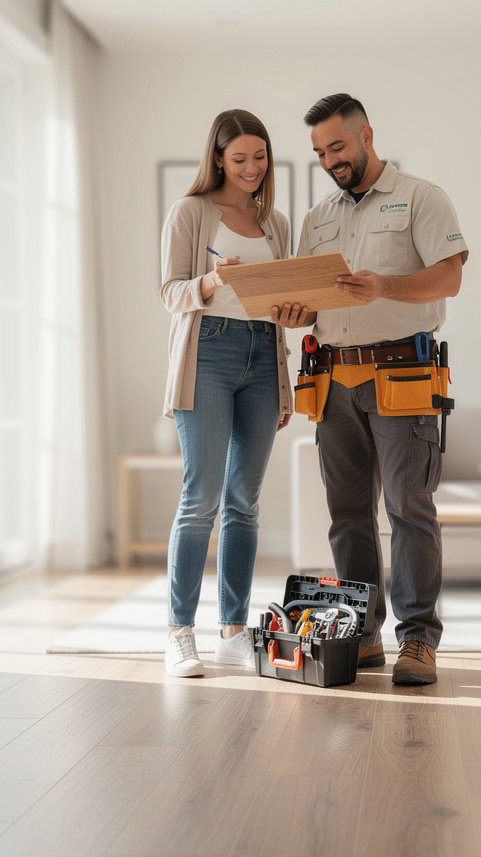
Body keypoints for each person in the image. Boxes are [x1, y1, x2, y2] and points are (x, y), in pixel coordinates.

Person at [295, 93, 468, 685]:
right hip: (333, 379)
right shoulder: (317, 219)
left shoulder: (421, 196)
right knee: (347, 515)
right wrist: (294, 312)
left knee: (409, 508)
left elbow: (449, 277)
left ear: (368, 135)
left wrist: (383, 288)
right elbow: (309, 299)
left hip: (403, 376)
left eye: (337, 147)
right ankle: (361, 634)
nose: (329, 161)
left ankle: (418, 640)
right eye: (319, 152)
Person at [159, 109, 309, 677]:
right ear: (218, 158)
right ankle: (179, 632)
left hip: (263, 358)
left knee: (244, 502)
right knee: (201, 500)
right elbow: (171, 293)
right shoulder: (191, 212)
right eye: (239, 158)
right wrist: (213, 280)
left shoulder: (277, 223)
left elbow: (283, 303)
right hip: (209, 354)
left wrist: (292, 322)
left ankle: (232, 630)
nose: (251, 168)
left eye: (260, 157)